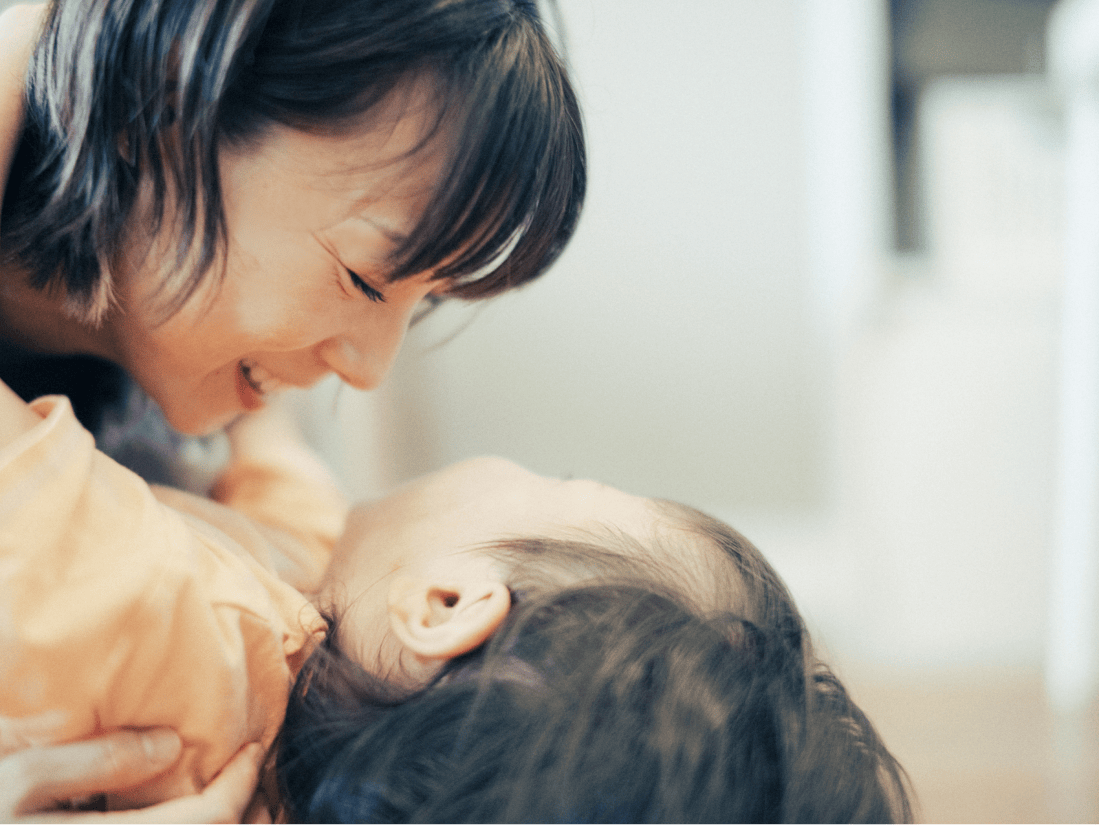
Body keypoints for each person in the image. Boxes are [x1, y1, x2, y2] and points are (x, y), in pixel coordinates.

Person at [0, 0, 585, 810]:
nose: (368, 369)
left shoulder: (183, 429)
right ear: (167, 102)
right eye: (363, 279)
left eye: (421, 303)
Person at [0, 380, 914, 822]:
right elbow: (285, 482)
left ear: (443, 602)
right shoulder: (322, 631)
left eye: (555, 480)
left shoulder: (183, 615)